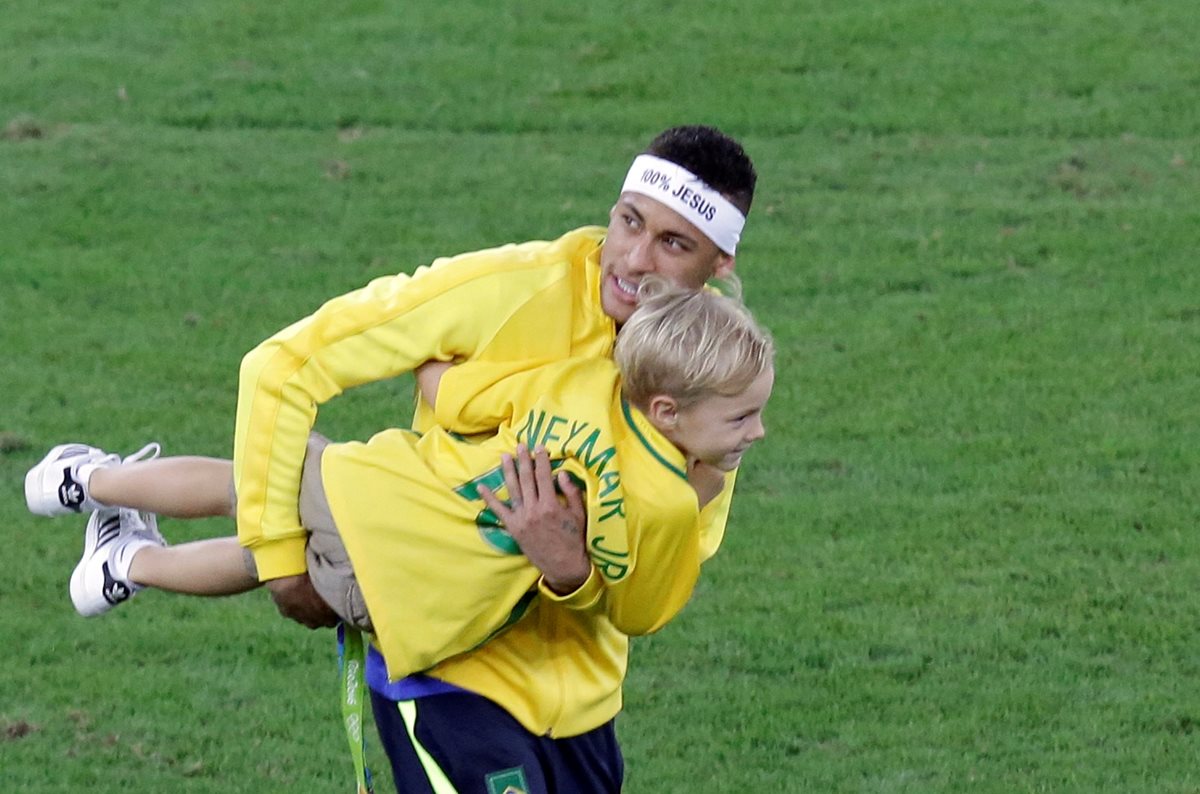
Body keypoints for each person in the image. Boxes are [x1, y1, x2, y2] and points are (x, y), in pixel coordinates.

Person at [30, 125, 759, 792]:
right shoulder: (513, 292)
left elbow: (649, 576)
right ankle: (95, 490)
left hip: (580, 708)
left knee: (253, 512)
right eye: (629, 221)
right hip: (445, 670)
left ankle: (117, 535)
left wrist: (567, 569)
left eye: (673, 244)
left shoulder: (708, 393)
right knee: (262, 523)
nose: (632, 259)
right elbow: (287, 365)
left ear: (718, 264)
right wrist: (284, 567)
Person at [26, 280, 774, 688]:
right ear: (669, 410)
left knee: (253, 490)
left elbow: (449, 396)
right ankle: (124, 564)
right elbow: (638, 614)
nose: (757, 433)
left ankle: (86, 479)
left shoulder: (576, 382)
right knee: (263, 558)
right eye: (743, 416)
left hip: (381, 493)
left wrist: (442, 356)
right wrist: (586, 563)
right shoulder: (671, 504)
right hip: (412, 602)